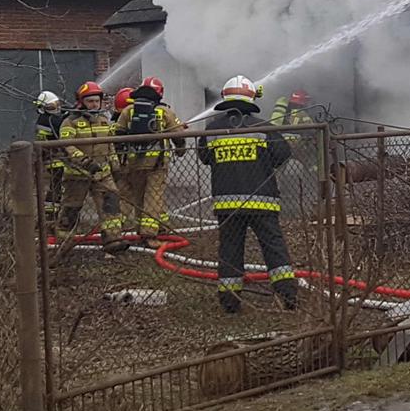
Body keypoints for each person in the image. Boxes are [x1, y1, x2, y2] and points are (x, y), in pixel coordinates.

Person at [199, 75, 296, 313]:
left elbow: (204, 158)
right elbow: (283, 154)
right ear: (251, 98)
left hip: (226, 202)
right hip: (262, 200)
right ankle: (288, 297)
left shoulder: (211, 130)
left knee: (230, 249)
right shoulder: (263, 127)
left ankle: (230, 302)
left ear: (224, 98)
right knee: (273, 247)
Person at [113, 77, 186, 244]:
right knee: (153, 196)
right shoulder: (164, 111)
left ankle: (139, 229)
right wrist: (180, 150)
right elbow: (179, 135)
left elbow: (118, 134)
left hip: (133, 162)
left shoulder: (128, 111)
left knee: (139, 196)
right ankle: (149, 236)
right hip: (157, 164)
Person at [56, 81, 124, 251]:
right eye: (90, 101)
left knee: (111, 202)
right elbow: (67, 145)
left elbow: (110, 145)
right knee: (71, 209)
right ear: (81, 102)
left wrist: (115, 165)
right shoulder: (70, 122)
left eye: (96, 101)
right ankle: (64, 242)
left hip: (103, 173)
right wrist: (84, 161)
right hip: (77, 174)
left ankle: (113, 240)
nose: (94, 104)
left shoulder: (103, 120)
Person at [33, 91, 70, 225]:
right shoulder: (48, 119)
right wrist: (70, 114)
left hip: (50, 158)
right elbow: (60, 126)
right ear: (43, 108)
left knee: (56, 186)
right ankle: (51, 215)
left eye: (56, 105)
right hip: (56, 159)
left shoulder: (43, 119)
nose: (56, 108)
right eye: (51, 107)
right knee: (58, 186)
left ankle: (50, 215)